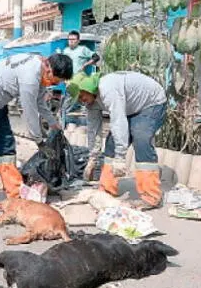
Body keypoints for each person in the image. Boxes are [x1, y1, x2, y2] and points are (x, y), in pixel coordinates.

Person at [0, 53, 74, 220]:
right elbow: (30, 110)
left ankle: (15, 195)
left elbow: (40, 102)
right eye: (55, 80)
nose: (54, 84)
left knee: (6, 151)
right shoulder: (30, 75)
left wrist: (53, 123)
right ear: (48, 68)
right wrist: (39, 141)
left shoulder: (40, 69)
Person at [70, 71, 167, 208]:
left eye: (81, 96)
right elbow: (93, 129)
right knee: (111, 144)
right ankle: (107, 189)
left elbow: (118, 120)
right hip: (129, 107)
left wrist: (120, 157)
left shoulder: (108, 89)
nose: (81, 101)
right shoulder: (90, 102)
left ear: (87, 89)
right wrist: (93, 158)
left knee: (141, 139)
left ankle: (151, 196)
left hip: (150, 104)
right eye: (78, 99)